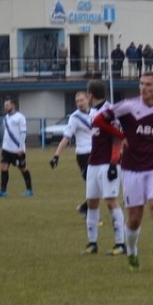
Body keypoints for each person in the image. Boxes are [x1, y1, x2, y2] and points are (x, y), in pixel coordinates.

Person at [93, 71, 153, 274]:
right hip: (132, 167)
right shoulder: (127, 107)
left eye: (148, 84)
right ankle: (132, 251)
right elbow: (99, 120)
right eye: (141, 84)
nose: (144, 88)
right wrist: (121, 135)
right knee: (135, 217)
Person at [58, 82, 127, 256]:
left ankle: (121, 244)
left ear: (90, 95)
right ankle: (92, 243)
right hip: (93, 162)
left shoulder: (110, 111)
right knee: (91, 202)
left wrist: (114, 162)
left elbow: (118, 138)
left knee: (111, 201)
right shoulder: (93, 112)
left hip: (107, 163)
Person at [49, 91, 94, 220]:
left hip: (97, 153)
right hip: (83, 155)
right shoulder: (74, 117)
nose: (79, 103)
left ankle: (85, 208)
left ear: (88, 99)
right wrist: (56, 156)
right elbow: (66, 138)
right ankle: (90, 214)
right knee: (93, 185)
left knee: (99, 185)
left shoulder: (95, 113)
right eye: (77, 101)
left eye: (82, 100)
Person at [0, 96, 33, 197]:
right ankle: (3, 191)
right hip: (6, 149)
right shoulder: (5, 118)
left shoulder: (20, 117)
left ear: (13, 105)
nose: (5, 107)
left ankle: (29, 190)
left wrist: (21, 148)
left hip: (17, 150)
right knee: (4, 168)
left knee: (22, 168)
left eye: (7, 105)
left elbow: (23, 132)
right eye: (5, 105)